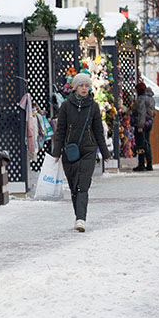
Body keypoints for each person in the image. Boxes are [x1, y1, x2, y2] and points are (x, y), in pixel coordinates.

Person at [51, 72, 111, 231]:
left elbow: (98, 131)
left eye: (86, 86)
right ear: (75, 88)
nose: (84, 89)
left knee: (83, 185)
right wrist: (57, 152)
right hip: (70, 151)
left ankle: (80, 219)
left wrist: (105, 153)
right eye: (81, 86)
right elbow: (60, 131)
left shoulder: (93, 106)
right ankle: (78, 215)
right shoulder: (66, 106)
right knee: (73, 186)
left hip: (88, 150)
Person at [133, 82, 156, 171]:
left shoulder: (141, 99)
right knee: (147, 143)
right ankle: (149, 163)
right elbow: (153, 112)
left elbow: (141, 113)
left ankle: (141, 163)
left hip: (141, 124)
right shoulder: (151, 99)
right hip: (149, 123)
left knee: (141, 144)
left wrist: (140, 125)